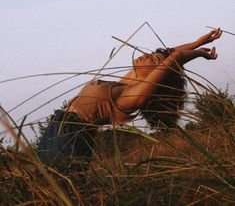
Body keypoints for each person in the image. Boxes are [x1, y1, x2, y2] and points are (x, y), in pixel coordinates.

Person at [38, 28, 222, 168]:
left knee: (63, 187)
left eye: (154, 59)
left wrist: (200, 54)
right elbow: (170, 53)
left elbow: (174, 58)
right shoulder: (127, 83)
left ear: (159, 73)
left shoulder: (133, 97)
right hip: (56, 127)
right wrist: (198, 42)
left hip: (70, 136)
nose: (146, 55)